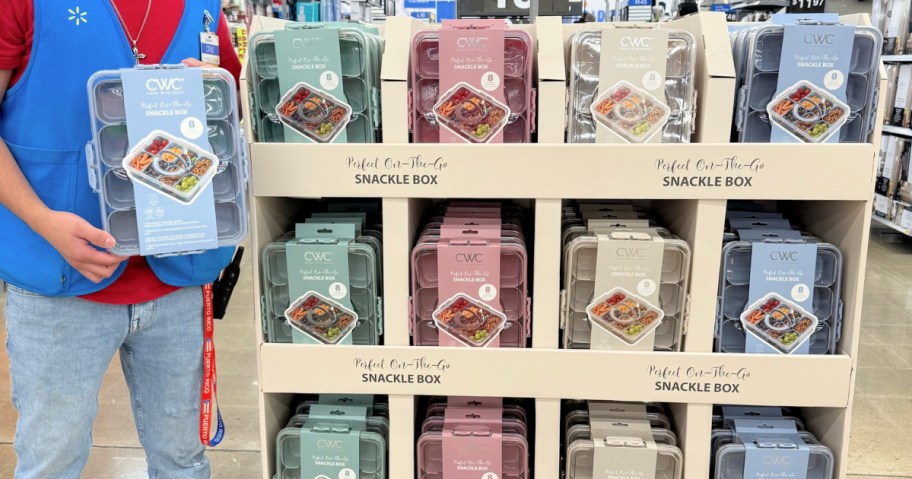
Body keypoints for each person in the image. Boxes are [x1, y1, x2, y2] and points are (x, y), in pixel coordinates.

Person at [0, 1, 242, 478]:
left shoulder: (204, 9)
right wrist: (45, 222)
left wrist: (215, 96)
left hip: (179, 281)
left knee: (183, 461)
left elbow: (230, 113)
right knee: (51, 461)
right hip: (59, 284)